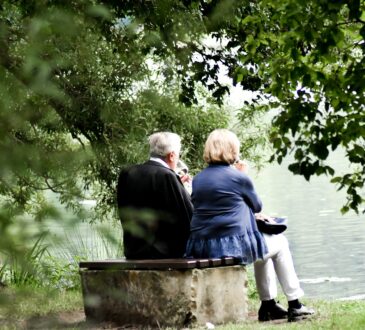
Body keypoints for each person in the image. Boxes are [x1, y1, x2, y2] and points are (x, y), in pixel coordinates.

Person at [185, 129, 314, 322]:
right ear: (232, 150)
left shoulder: (199, 179)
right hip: (229, 247)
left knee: (264, 248)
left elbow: (223, 205)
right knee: (280, 243)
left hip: (203, 245)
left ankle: (268, 305)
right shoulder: (238, 177)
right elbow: (257, 205)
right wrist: (244, 175)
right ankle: (295, 303)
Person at [117, 132, 193, 259]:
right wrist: (186, 190)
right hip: (164, 253)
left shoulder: (127, 173)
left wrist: (178, 184)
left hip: (133, 250)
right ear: (172, 155)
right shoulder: (167, 176)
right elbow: (187, 216)